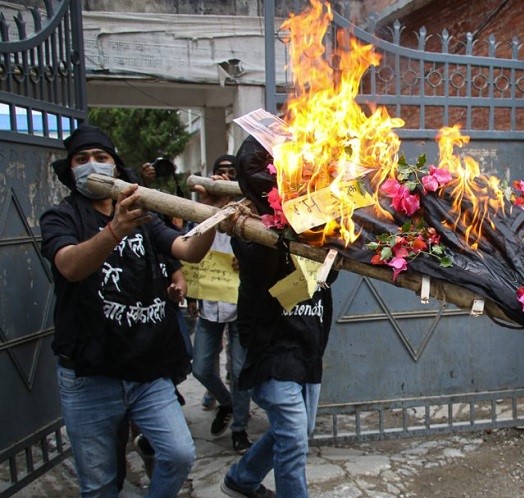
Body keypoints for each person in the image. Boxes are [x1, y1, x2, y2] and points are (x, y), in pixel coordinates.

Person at [39, 124, 228, 497]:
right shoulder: (60, 217)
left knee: (177, 454)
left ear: (115, 165)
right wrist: (114, 231)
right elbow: (70, 267)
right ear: (71, 168)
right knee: (100, 484)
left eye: (101, 157)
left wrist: (212, 216)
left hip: (148, 369)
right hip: (89, 375)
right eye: (82, 159)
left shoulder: (145, 216)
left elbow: (188, 250)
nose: (91, 164)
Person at [219, 136, 336, 498]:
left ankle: (241, 479)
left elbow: (328, 276)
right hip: (272, 347)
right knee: (294, 438)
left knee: (299, 431)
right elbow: (270, 280)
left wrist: (331, 229)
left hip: (307, 343)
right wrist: (289, 222)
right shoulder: (248, 223)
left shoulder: (323, 219)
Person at [191, 154, 253, 455]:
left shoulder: (251, 210)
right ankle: (225, 402)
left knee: (240, 370)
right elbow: (187, 248)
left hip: (240, 305)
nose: (226, 177)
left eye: (232, 173)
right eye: (221, 172)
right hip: (208, 304)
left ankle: (239, 428)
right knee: (201, 367)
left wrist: (248, 260)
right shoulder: (200, 209)